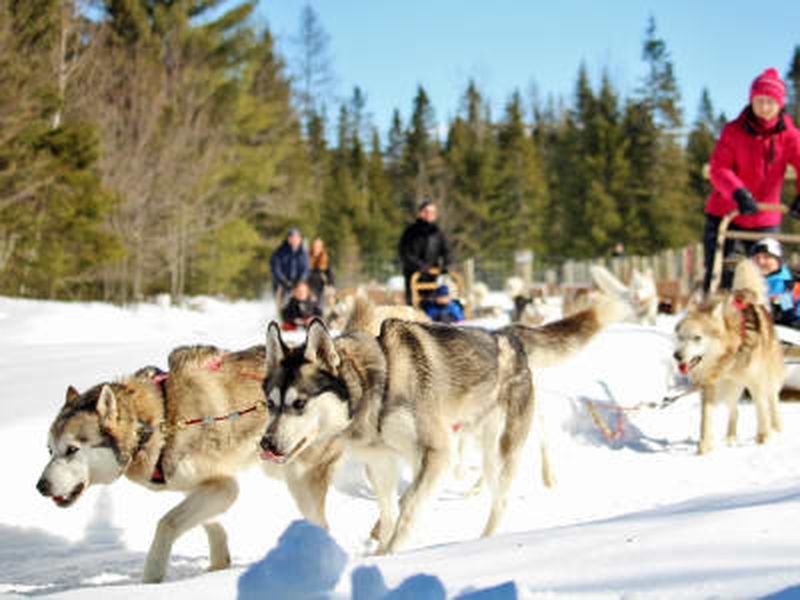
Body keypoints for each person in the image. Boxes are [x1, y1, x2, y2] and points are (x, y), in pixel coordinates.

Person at [702, 67, 800, 292]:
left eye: (770, 102)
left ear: (780, 104)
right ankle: (714, 316)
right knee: (724, 274)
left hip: (765, 219)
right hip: (727, 213)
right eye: (759, 101)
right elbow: (719, 169)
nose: (764, 108)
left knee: (767, 276)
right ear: (751, 100)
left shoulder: (790, 136)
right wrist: (738, 193)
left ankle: (774, 317)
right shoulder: (733, 131)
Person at [398, 199, 451, 306]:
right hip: (414, 274)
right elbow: (404, 252)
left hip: (432, 275)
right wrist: (418, 265)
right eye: (427, 211)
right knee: (414, 304)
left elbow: (446, 251)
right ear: (421, 213)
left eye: (432, 212)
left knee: (432, 304)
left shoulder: (438, 232)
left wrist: (446, 264)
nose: (430, 214)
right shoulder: (410, 231)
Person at [750, 237, 800, 327]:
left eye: (767, 257)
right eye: (757, 258)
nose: (761, 262)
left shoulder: (789, 285)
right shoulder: (747, 282)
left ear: (778, 260)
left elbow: (788, 313)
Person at [270, 227, 309, 307]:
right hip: (283, 283)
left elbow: (306, 269)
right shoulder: (280, 252)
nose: (295, 240)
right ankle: (281, 312)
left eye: (297, 237)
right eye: (292, 237)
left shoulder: (303, 253)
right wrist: (284, 281)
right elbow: (275, 269)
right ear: (288, 239)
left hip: (298, 282)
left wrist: (301, 280)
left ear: (300, 239)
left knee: (303, 293)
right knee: (282, 300)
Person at [307, 237, 335, 309]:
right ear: (312, 246)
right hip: (309, 287)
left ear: (322, 248)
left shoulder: (325, 259)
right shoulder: (306, 258)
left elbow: (330, 274)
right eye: (315, 246)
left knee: (323, 303)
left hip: (321, 288)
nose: (316, 248)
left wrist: (330, 285)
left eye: (319, 246)